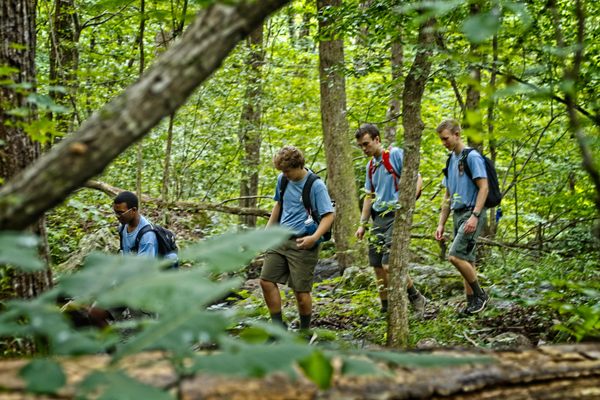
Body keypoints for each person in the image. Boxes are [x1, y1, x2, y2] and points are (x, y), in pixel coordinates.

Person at [260, 146, 335, 334]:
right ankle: (278, 328)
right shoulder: (283, 180)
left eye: (287, 171)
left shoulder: (316, 186)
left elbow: (328, 216)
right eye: (282, 171)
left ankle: (304, 331)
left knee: (301, 293)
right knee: (266, 281)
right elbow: (279, 204)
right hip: (280, 239)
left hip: (304, 242)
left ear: (298, 166)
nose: (284, 175)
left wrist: (314, 238)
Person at [354, 123, 427, 314]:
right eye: (361, 145)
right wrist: (362, 224)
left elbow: (417, 178)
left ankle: (416, 297)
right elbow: (369, 196)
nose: (364, 148)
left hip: (396, 214)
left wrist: (409, 203)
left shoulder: (394, 154)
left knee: (389, 264)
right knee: (377, 265)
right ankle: (385, 307)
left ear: (377, 140)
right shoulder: (370, 165)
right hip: (378, 218)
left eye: (366, 144)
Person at [434, 119, 489, 314]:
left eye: (446, 138)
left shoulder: (472, 157)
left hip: (471, 212)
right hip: (457, 213)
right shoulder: (451, 161)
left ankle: (480, 295)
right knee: (468, 260)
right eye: (441, 140)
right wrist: (440, 224)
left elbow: (484, 187)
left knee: (455, 256)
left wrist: (475, 216)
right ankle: (471, 304)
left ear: (457, 135)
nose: (444, 143)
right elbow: (447, 196)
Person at [113, 191, 178, 264]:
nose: (117, 216)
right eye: (115, 212)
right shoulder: (123, 227)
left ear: (133, 210)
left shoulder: (147, 236)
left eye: (121, 213)